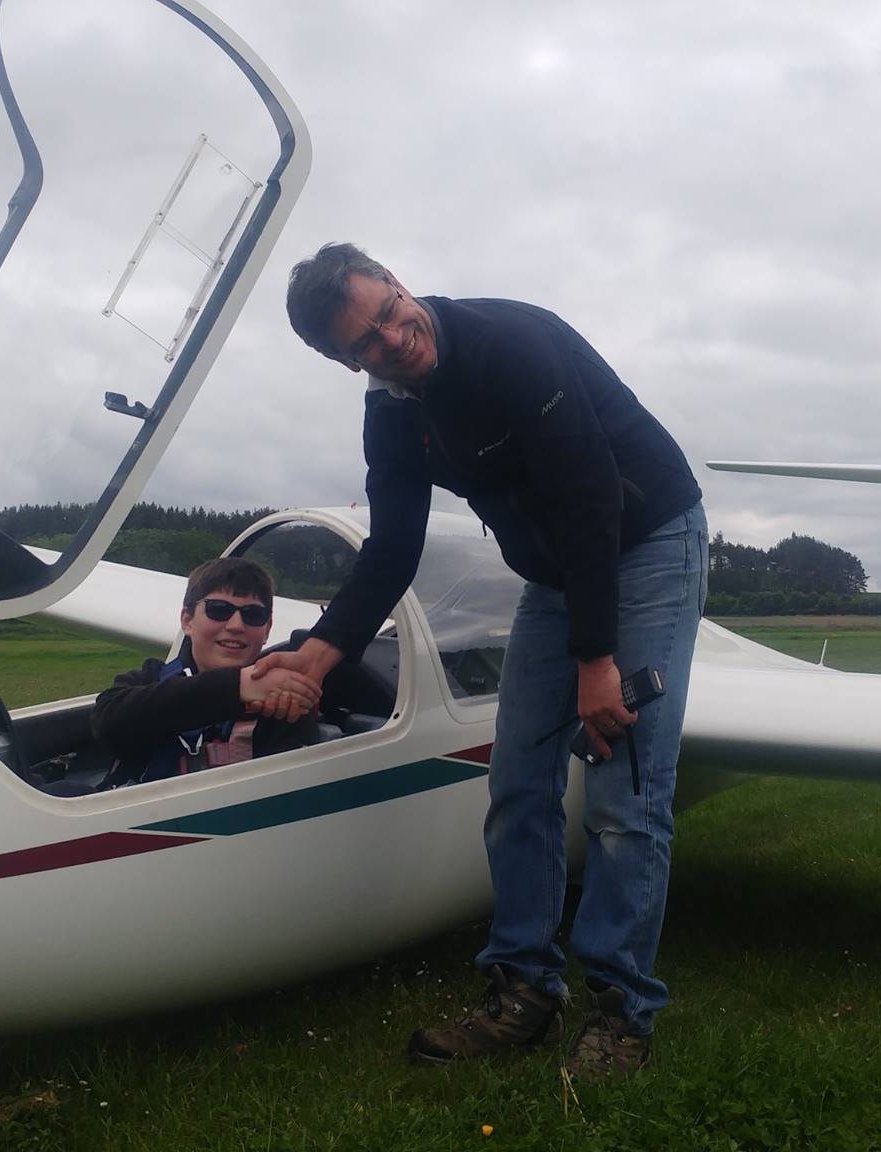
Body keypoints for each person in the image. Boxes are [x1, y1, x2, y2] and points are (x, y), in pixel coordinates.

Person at [260, 243, 708, 1081]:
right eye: (366, 341)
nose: (394, 338)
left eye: (390, 310)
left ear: (395, 278)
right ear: (342, 359)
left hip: (644, 538)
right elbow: (392, 548)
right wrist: (315, 659)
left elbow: (591, 498)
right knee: (518, 780)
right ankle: (524, 992)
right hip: (553, 566)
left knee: (623, 784)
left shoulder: (508, 345)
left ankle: (624, 1013)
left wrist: (595, 661)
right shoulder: (392, 409)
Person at [92, 557, 321, 785]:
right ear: (187, 621)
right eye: (219, 610)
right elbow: (107, 722)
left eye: (253, 614)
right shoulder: (148, 678)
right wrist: (239, 686)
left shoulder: (281, 702)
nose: (236, 626)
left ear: (267, 629)